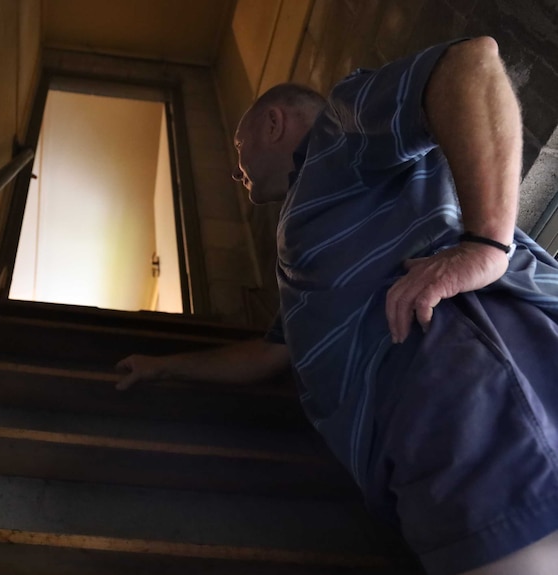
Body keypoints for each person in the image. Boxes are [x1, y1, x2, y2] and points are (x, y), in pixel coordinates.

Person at [115, 37, 558, 575]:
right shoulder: (303, 256)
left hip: (481, 400)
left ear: (274, 124)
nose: (236, 170)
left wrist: (486, 245)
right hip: (423, 449)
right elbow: (268, 354)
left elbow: (469, 62)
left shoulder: (336, 135)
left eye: (237, 148)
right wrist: (163, 367)